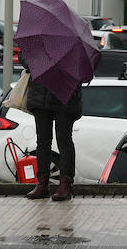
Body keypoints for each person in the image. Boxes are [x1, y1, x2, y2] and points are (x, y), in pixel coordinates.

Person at [18, 52, 83, 202]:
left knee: (63, 139)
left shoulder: (74, 39)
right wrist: (39, 60)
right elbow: (24, 56)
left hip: (65, 96)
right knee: (43, 140)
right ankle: (42, 183)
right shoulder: (39, 36)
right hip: (41, 95)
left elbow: (82, 67)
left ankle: (65, 184)